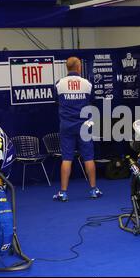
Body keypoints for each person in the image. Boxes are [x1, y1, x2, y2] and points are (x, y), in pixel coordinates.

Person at [53, 57, 102, 202]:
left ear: (67, 68)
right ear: (79, 67)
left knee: (66, 158)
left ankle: (63, 192)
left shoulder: (59, 84)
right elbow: (92, 101)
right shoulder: (87, 84)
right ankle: (94, 190)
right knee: (88, 157)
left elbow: (57, 101)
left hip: (66, 126)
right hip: (84, 125)